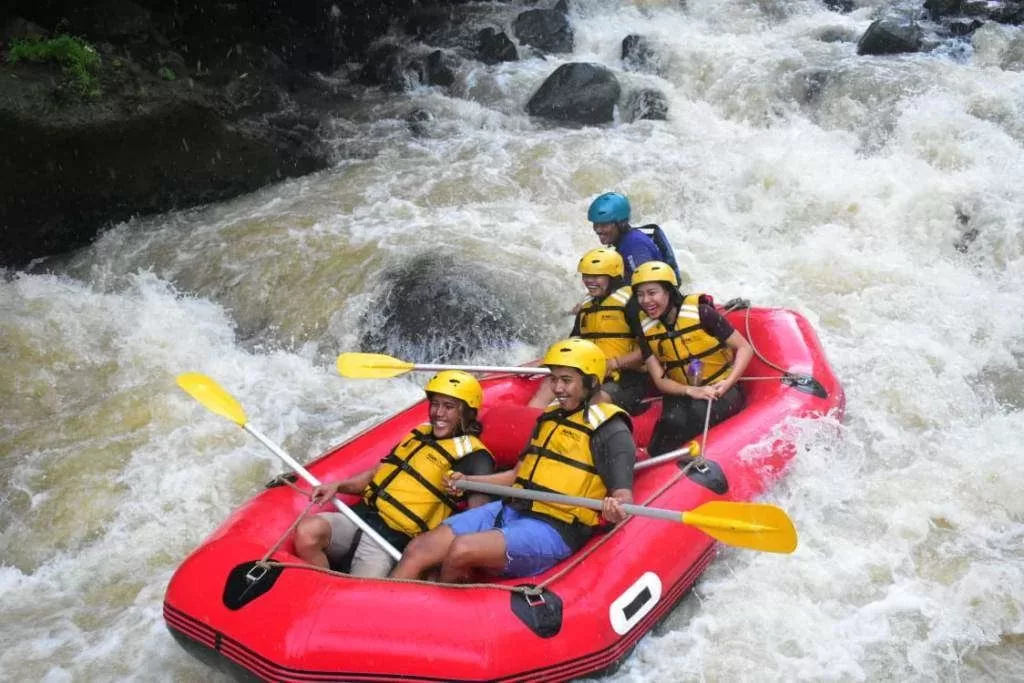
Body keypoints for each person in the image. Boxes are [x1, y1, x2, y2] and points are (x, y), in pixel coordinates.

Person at [391, 338, 636, 583]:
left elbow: (623, 498)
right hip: (513, 509)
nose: (557, 388)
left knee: (461, 549)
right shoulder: (549, 418)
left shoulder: (611, 430)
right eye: (554, 379)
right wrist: (469, 480)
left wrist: (614, 509)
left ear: (591, 382)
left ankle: (437, 613)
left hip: (555, 528)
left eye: (566, 380)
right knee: (419, 548)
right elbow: (517, 475)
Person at [293, 371, 495, 577]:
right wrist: (338, 486)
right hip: (360, 517)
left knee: (358, 597)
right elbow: (380, 473)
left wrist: (438, 562)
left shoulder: (476, 457)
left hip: (390, 541)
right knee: (307, 532)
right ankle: (322, 585)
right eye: (435, 404)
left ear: (468, 412)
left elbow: (477, 519)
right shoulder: (420, 434)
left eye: (449, 407)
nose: (438, 413)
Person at [625, 261, 753, 456]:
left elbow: (744, 347)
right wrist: (690, 390)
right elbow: (660, 380)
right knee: (671, 421)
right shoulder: (645, 329)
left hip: (721, 388)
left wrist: (728, 382)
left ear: (668, 291)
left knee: (695, 415)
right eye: (640, 295)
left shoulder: (702, 313)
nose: (645, 300)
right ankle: (651, 460)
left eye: (652, 293)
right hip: (683, 391)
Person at [529, 248, 650, 413]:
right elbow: (573, 344)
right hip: (589, 374)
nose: (589, 281)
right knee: (547, 387)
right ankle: (531, 428)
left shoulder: (632, 303)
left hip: (626, 378)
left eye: (596, 276)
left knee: (595, 402)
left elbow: (649, 347)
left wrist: (614, 363)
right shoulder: (587, 305)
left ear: (612, 277)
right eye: (586, 276)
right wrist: (543, 360)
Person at [588, 191, 681, 282]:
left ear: (621, 223)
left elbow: (646, 284)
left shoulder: (634, 245)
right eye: (596, 225)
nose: (598, 230)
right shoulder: (625, 240)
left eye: (604, 225)